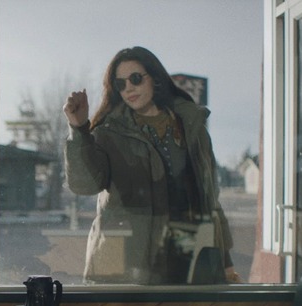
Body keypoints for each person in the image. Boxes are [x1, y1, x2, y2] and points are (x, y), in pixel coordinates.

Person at [62, 46, 241, 285]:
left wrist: (225, 260)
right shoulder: (108, 133)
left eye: (135, 79)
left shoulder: (192, 127)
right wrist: (79, 129)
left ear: (155, 79)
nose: (128, 88)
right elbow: (84, 184)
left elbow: (210, 199)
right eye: (120, 84)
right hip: (128, 260)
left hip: (186, 246)